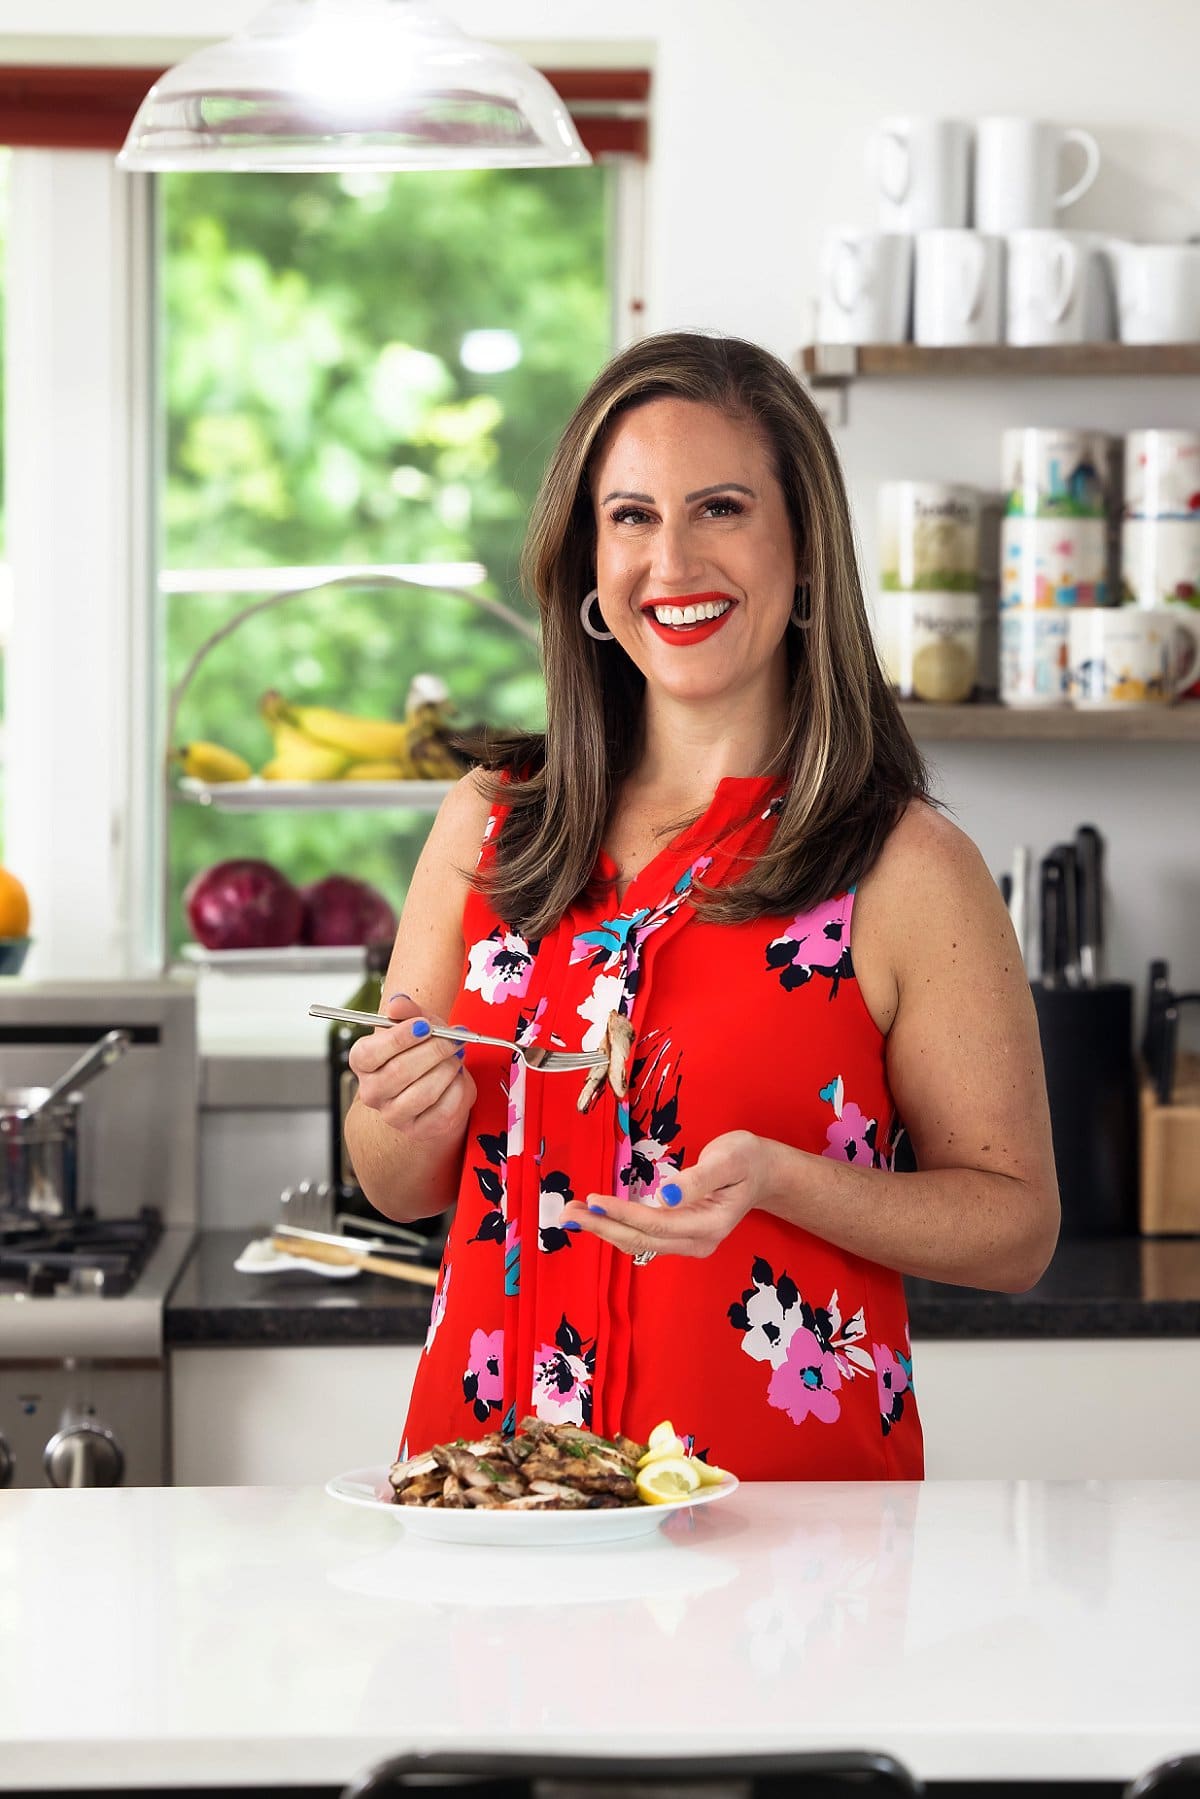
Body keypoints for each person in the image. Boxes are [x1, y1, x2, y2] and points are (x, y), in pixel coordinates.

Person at [345, 331, 1059, 1480]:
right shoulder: (492, 821)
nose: (671, 561)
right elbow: (397, 1178)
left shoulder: (905, 864)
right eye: (630, 516)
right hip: (495, 1503)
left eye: (720, 507)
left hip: (782, 1542)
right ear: (586, 560)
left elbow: (1016, 1228)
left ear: (804, 548)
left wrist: (783, 1180)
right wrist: (400, 1108)